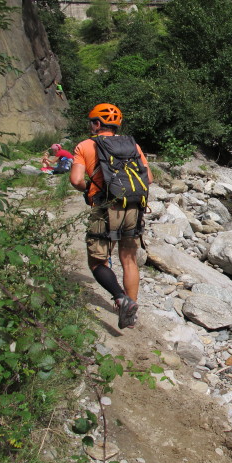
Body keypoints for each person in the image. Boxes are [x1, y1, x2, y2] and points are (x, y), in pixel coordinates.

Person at [70, 103, 153, 329]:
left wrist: (90, 188)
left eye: (91, 122)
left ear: (97, 124)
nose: (90, 125)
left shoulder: (85, 146)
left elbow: (76, 180)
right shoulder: (132, 145)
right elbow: (149, 178)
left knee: (98, 261)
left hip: (105, 206)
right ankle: (131, 310)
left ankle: (120, 297)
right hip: (133, 206)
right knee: (128, 259)